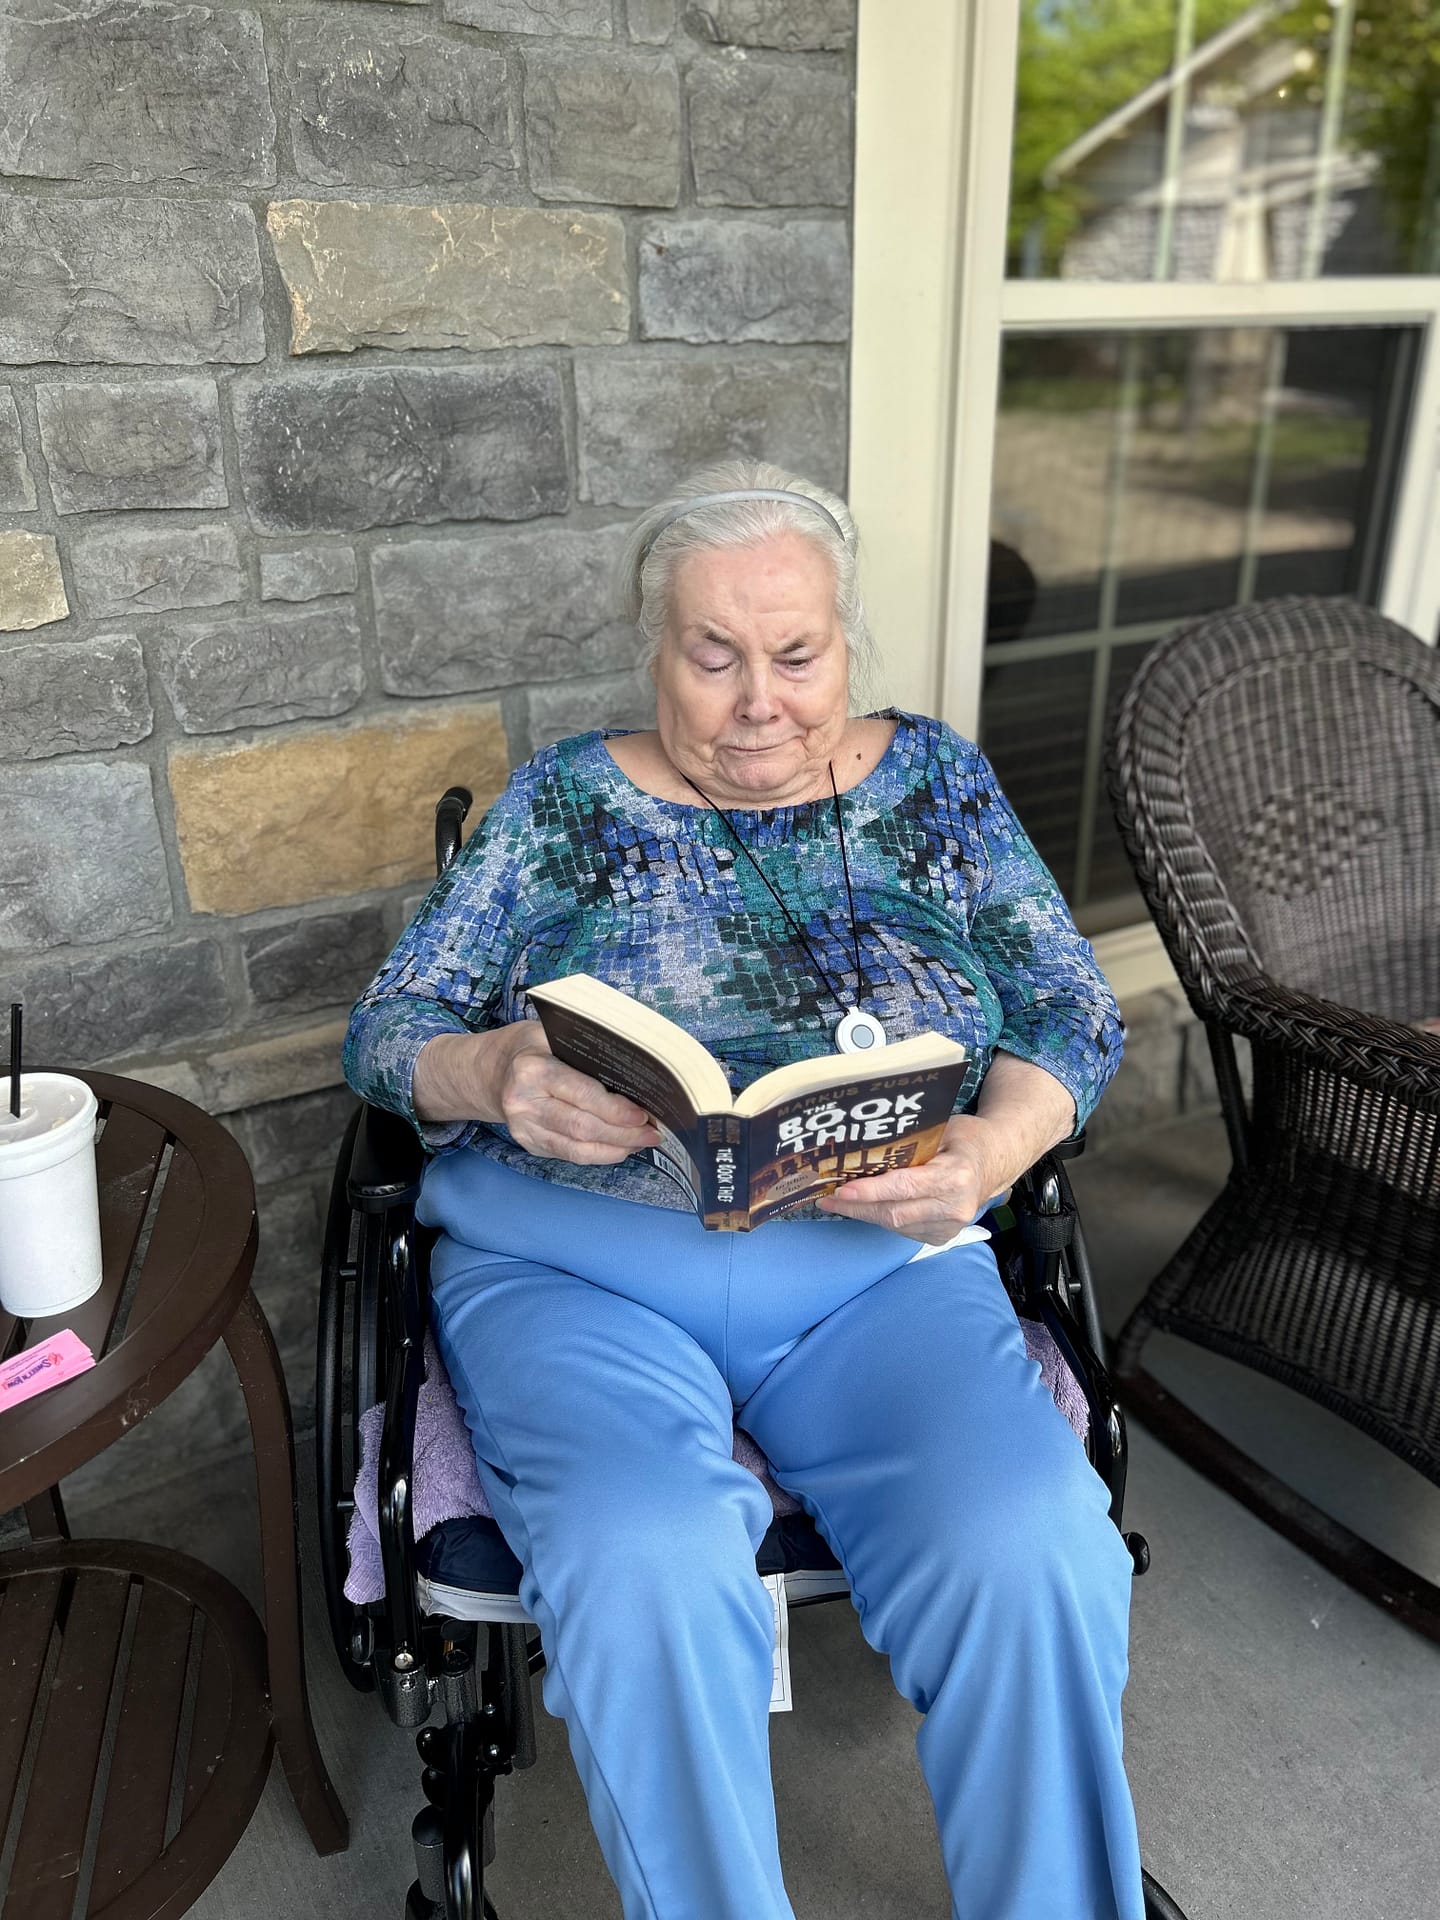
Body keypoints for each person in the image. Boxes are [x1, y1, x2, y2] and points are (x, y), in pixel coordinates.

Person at [344, 460, 1142, 1920]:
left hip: (875, 1268)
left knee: (1029, 1549)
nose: (758, 700)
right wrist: (493, 1075)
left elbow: (1073, 1011)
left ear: (848, 646)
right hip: (574, 1273)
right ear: (656, 648)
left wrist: (991, 1148)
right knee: (646, 1559)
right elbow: (388, 1029)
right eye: (713, 657)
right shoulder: (566, 805)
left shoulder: (938, 785)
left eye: (798, 655)